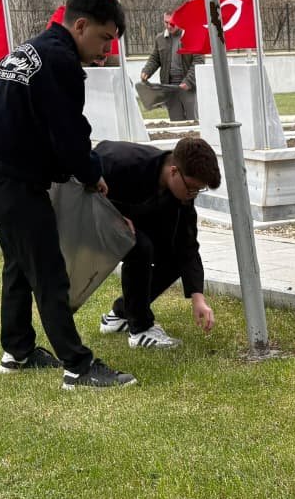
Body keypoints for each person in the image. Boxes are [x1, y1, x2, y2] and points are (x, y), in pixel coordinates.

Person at [0, 0, 135, 390]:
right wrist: (90, 172)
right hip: (13, 178)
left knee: (19, 263)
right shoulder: (60, 61)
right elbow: (69, 134)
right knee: (47, 271)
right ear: (80, 25)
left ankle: (19, 351)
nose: (106, 51)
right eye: (104, 39)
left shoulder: (31, 50)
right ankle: (77, 366)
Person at [94, 135, 222, 348]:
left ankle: (120, 315)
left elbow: (187, 246)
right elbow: (79, 179)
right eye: (191, 188)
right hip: (90, 217)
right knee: (140, 247)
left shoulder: (182, 198)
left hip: (129, 220)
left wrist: (198, 298)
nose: (193, 195)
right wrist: (110, 215)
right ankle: (140, 330)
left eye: (198, 191)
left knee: (173, 257)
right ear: (174, 171)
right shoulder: (121, 160)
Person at [138, 12, 202, 121]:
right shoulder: (160, 38)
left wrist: (188, 81)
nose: (169, 26)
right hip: (169, 88)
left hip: (188, 87)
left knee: (193, 121)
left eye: (172, 23)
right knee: (176, 121)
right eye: (166, 22)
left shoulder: (193, 35)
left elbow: (198, 61)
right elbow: (155, 58)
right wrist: (146, 71)